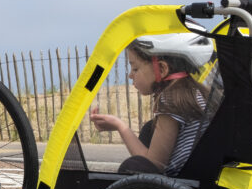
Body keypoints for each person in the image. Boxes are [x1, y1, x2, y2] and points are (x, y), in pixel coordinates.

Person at [90, 32, 214, 176]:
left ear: (161, 69)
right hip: (196, 176)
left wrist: (120, 126)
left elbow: (153, 165)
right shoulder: (195, 92)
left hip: (177, 185)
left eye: (135, 68)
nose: (130, 75)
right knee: (149, 129)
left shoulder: (171, 99)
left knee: (133, 166)